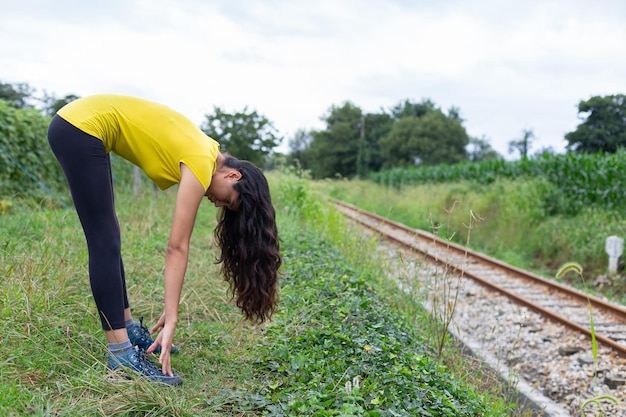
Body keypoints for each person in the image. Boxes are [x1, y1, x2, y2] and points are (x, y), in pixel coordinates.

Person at [47, 94, 281, 386]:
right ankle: (120, 355)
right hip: (78, 127)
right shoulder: (201, 160)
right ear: (233, 175)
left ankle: (127, 330)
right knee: (103, 240)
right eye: (229, 200)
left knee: (109, 237)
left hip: (84, 127)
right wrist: (171, 319)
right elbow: (176, 247)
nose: (219, 204)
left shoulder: (207, 151)